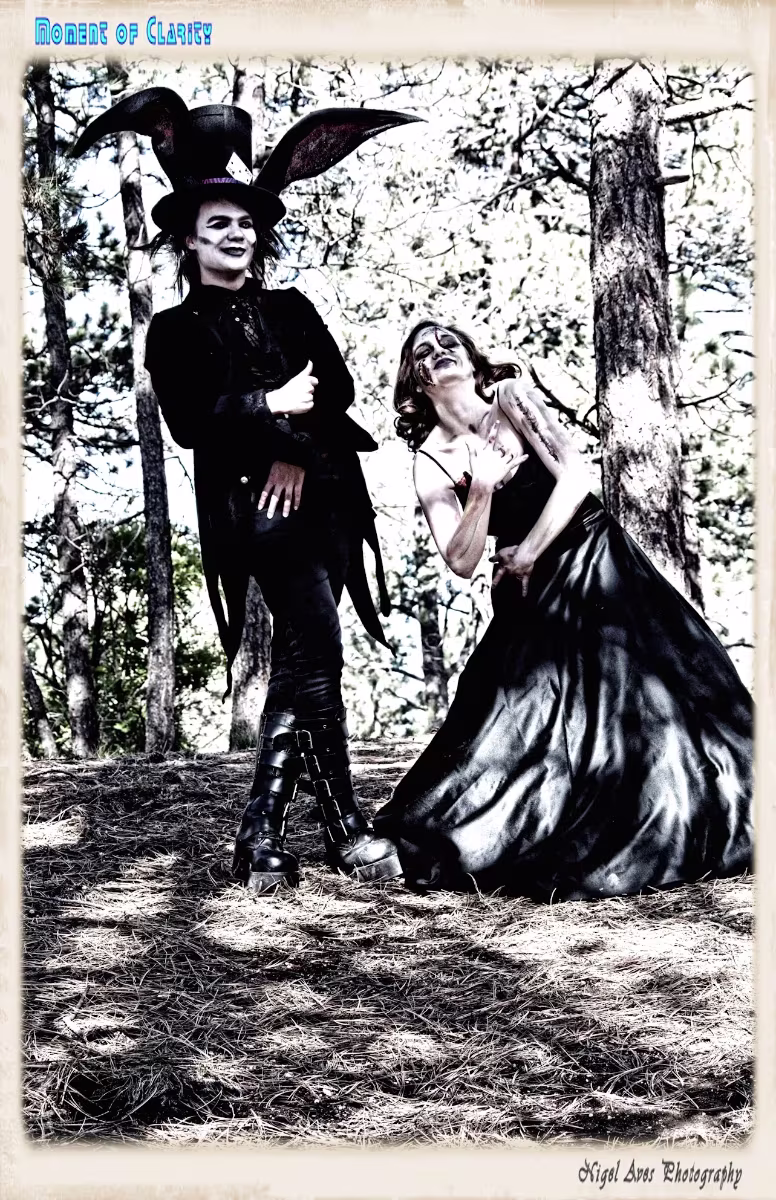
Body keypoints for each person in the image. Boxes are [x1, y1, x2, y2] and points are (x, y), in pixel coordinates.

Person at [72, 89, 420, 892]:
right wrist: (270, 409)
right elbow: (193, 422)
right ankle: (343, 827)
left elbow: (335, 388)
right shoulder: (175, 329)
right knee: (319, 651)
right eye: (218, 224)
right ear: (188, 240)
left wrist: (294, 444)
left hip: (330, 497)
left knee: (301, 659)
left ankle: (263, 834)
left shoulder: (293, 307)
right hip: (255, 510)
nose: (236, 233)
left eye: (244, 223)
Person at [373, 321, 753, 900]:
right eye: (424, 350)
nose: (440, 351)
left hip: (593, 558)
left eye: (450, 342)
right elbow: (461, 559)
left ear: (473, 360)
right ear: (416, 379)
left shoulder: (509, 399)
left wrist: (526, 553)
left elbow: (574, 477)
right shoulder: (430, 461)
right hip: (530, 592)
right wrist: (482, 490)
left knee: (646, 702)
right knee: (506, 720)